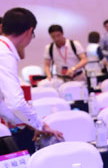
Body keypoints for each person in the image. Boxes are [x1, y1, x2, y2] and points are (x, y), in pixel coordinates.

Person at [0, 8, 63, 151]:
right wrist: (38, 124)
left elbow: (2, 105)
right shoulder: (4, 54)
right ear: (29, 31)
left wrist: (35, 124)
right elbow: (16, 103)